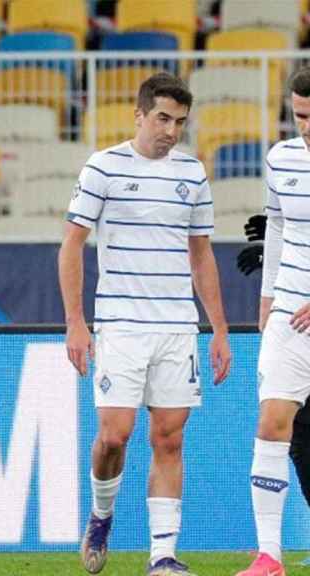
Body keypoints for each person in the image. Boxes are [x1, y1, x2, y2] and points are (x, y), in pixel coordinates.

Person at [58, 72, 231, 576]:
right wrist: (76, 321)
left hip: (178, 325)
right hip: (121, 323)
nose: (171, 130)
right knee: (115, 435)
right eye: (162, 118)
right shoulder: (103, 167)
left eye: (179, 121)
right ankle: (101, 515)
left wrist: (218, 328)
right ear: (138, 115)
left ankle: (162, 556)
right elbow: (71, 244)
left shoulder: (193, 174)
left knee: (170, 438)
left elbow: (201, 254)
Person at [235, 67, 310, 576]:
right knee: (272, 423)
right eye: (301, 115)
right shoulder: (281, 158)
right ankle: (270, 556)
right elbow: (278, 226)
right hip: (289, 313)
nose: (307, 126)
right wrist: (266, 299)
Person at [237, 210, 310, 570]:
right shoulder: (284, 164)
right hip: (294, 322)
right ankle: (270, 556)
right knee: (295, 436)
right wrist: (274, 253)